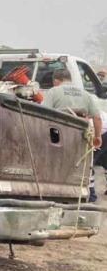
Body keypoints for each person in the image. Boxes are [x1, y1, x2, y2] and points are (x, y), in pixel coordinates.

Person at [42, 68, 102, 201]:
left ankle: (58, 193)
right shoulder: (85, 94)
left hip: (59, 133)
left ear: (56, 80)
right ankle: (90, 195)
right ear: (70, 79)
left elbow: (43, 114)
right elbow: (97, 118)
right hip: (83, 134)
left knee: (58, 163)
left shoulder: (53, 91)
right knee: (85, 163)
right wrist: (98, 137)